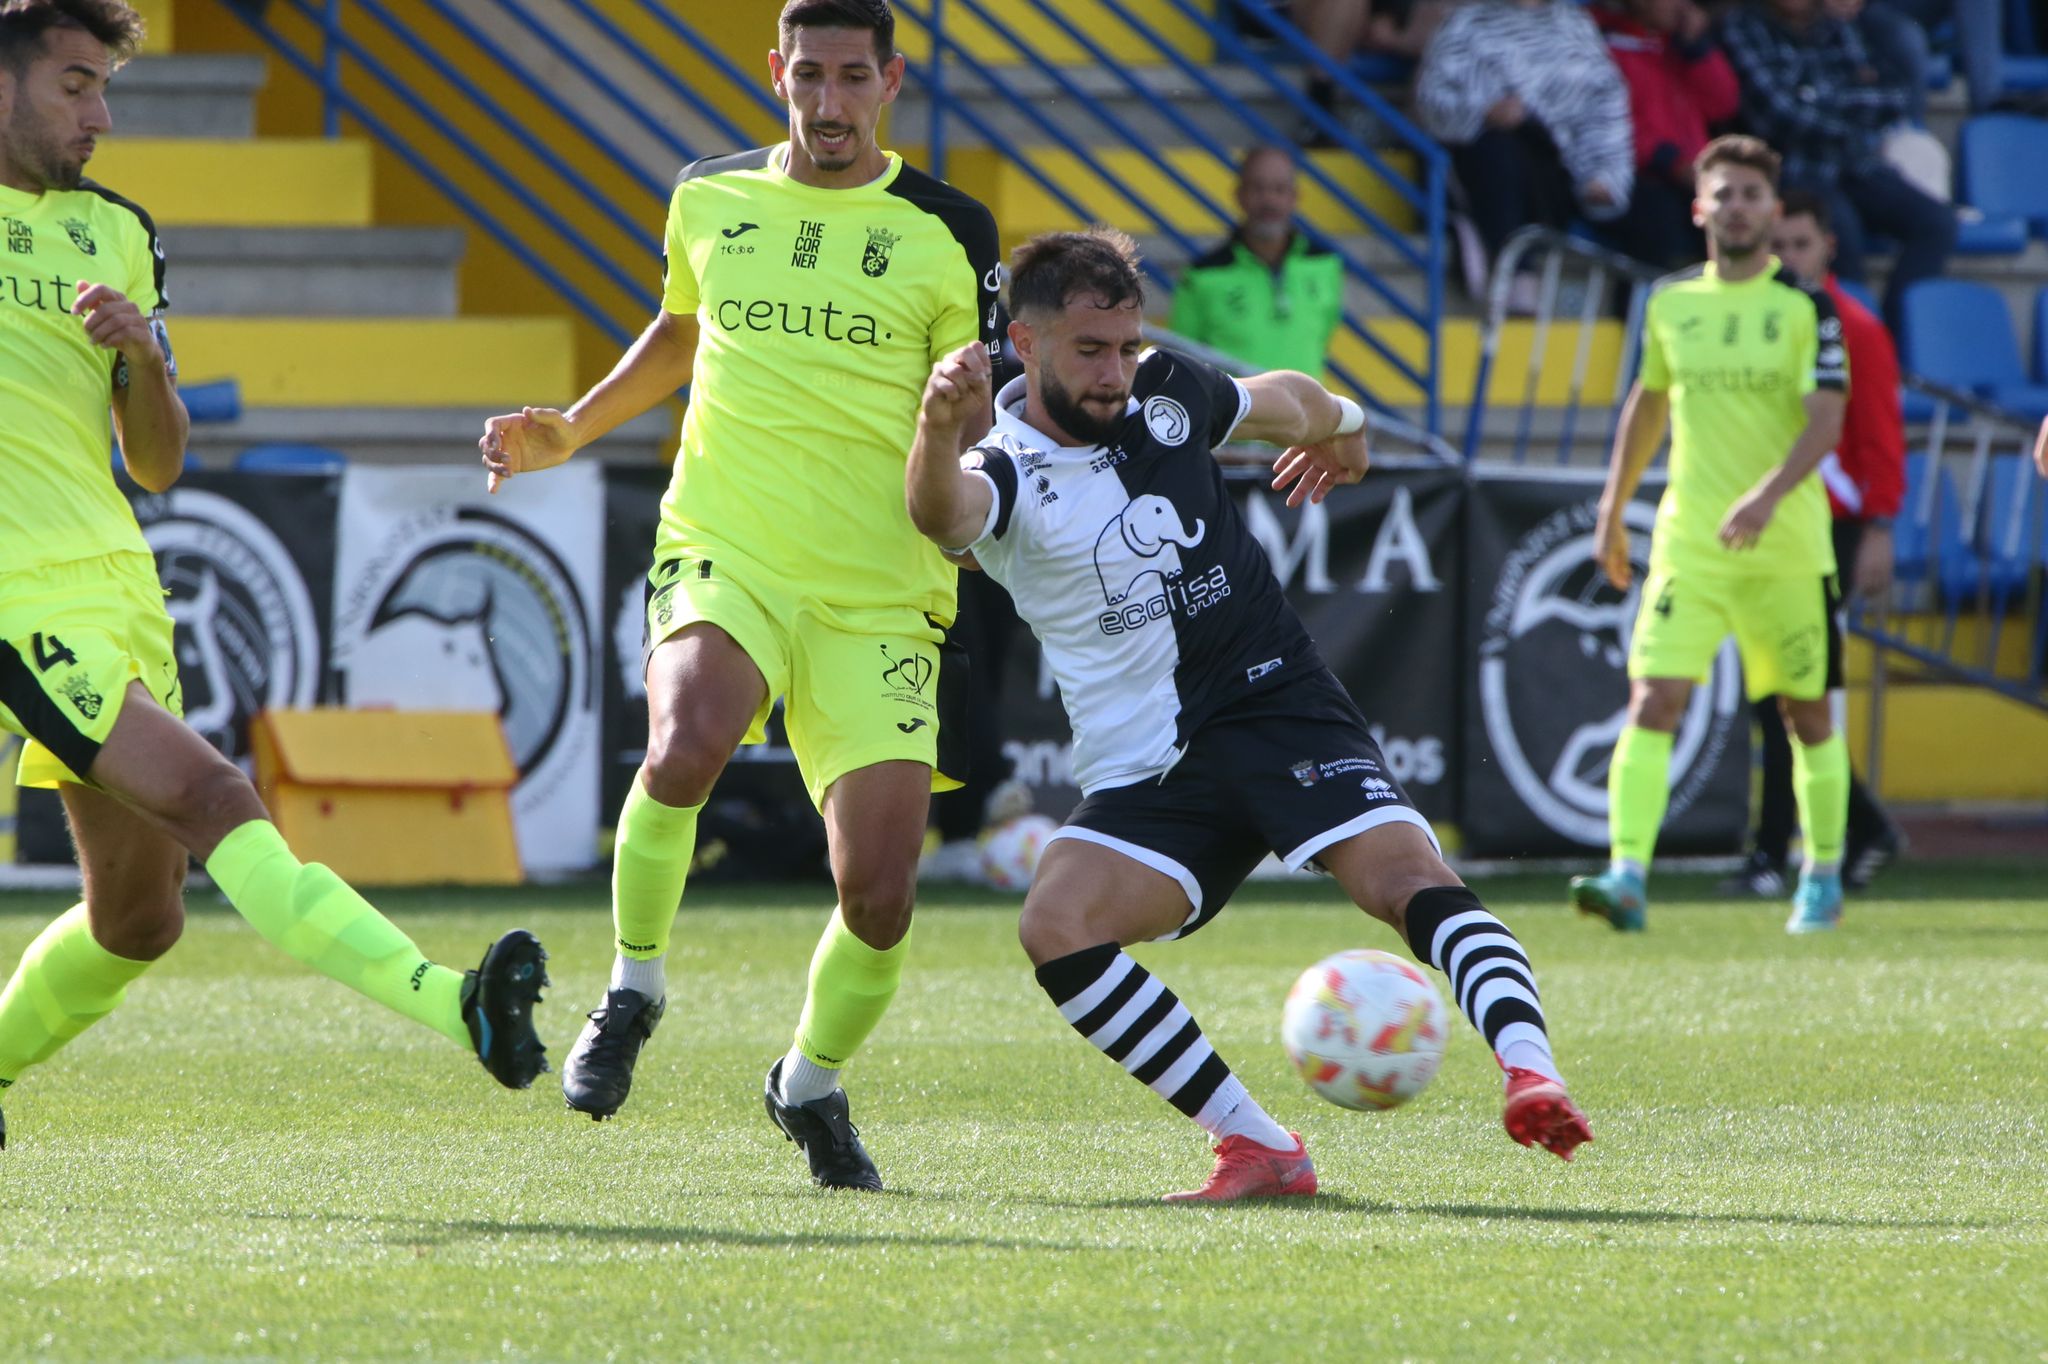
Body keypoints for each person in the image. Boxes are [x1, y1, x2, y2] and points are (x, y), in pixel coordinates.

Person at [904, 228, 1593, 1201]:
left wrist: (1342, 420)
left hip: (1272, 700)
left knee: (1402, 875)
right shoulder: (1005, 470)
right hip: (1145, 767)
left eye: (1128, 346)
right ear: (1025, 341)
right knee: (1055, 920)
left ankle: (1529, 1067)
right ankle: (1257, 1144)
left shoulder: (1168, 395)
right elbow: (939, 514)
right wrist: (934, 430)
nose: (1114, 374)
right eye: (1089, 351)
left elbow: (1288, 399)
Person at [0, 0, 549, 1152]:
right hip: (18, 593)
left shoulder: (121, 233)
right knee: (219, 801)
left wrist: (144, 356)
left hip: (117, 585)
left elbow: (156, 460)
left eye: (104, 88)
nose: (99, 115)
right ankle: (451, 1002)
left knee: (141, 919)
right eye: (73, 87)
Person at [479, 0, 1000, 1190]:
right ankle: (632, 984)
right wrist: (569, 429)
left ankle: (805, 1084)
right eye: (806, 76)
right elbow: (678, 331)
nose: (826, 103)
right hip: (730, 542)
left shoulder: (947, 230)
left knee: (877, 894)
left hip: (879, 590)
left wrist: (963, 415)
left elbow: (975, 414)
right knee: (685, 741)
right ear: (774, 71)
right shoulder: (708, 195)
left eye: (850, 78)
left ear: (891, 82)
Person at [1570, 135, 1854, 935]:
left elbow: (1827, 419)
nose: (1737, 207)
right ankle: (1627, 876)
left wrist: (1766, 497)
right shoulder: (1669, 303)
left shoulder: (1807, 306)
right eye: (1723, 194)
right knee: (1653, 698)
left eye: (1751, 195)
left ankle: (1822, 877)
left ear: (1773, 208)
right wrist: (1610, 508)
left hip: (1788, 549)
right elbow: (1649, 406)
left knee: (1808, 715)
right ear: (1700, 207)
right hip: (1690, 543)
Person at [1720, 189, 1904, 897]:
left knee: (1791, 695)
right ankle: (1860, 830)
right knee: (1779, 696)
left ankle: (1776, 855)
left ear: (1829, 246)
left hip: (1829, 526)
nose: (1790, 255)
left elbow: (1880, 435)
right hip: (1772, 522)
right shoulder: (1762, 319)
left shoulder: (1852, 326)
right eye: (1782, 244)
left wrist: (1879, 526)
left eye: (1803, 244)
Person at [1720, 0, 1956, 333]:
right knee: (1840, 230)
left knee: (1937, 223)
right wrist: (1847, 107)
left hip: (1854, 163)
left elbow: (1893, 96)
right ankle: (1846, 336)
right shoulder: (1742, 26)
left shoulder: (1834, 26)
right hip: (1793, 168)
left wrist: (1815, 99)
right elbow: (1780, 114)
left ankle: (1892, 338)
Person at [1415, 0, 1635, 288]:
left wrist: (1604, 176)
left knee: (1656, 209)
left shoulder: (1576, 26)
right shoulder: (1465, 22)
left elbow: (1605, 108)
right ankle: (1515, 270)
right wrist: (1485, 112)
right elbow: (1430, 100)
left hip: (1553, 173)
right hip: (1478, 163)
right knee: (1499, 149)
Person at [1168, 146, 1344, 380]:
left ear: (1295, 197)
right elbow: (1183, 358)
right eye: (1258, 188)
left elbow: (1323, 337)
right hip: (1236, 415)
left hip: (1308, 414)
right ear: (1239, 195)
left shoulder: (1325, 264)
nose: (1269, 200)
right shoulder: (1202, 275)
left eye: (1279, 189)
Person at [1593, 0, 1740, 269]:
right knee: (1658, 215)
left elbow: (1723, 103)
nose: (1682, 6)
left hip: (1692, 176)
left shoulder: (1680, 48)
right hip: (1633, 175)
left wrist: (1696, 47)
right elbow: (1612, 122)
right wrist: (1673, 163)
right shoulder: (1604, 43)